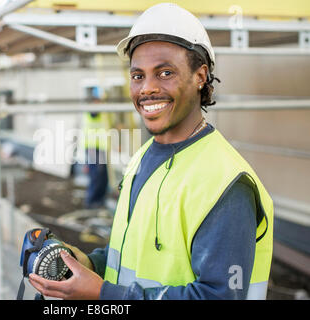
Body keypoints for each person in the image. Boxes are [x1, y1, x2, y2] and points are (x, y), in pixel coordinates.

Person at [28, 3, 274, 300]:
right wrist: (86, 264)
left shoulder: (225, 183)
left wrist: (102, 294)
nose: (147, 88)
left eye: (165, 72)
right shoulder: (143, 156)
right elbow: (130, 255)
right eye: (137, 76)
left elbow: (217, 296)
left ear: (200, 76)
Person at [83, 111, 109, 209]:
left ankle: (99, 200)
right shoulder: (93, 112)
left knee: (103, 175)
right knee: (96, 174)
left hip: (100, 147)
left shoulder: (102, 113)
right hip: (93, 147)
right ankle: (91, 201)